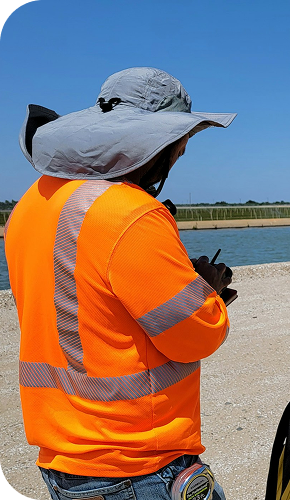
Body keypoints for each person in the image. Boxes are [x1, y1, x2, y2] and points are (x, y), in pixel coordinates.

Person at [4, 67, 237, 500]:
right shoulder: (132, 214)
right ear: (156, 142)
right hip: (136, 466)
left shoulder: (32, 204)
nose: (183, 150)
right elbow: (195, 336)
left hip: (65, 460)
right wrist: (206, 290)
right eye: (179, 140)